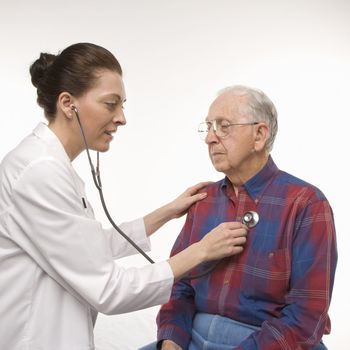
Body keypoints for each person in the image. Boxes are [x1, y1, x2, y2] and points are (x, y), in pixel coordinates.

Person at [0, 43, 249, 350]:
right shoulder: (39, 172)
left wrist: (166, 212)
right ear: (68, 104)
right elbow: (109, 290)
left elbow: (84, 248)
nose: (121, 118)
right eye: (110, 104)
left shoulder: (48, 165)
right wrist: (201, 251)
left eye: (122, 105)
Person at [141, 85, 337, 349]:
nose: (210, 138)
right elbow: (180, 288)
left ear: (259, 135)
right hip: (195, 337)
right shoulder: (203, 200)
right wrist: (171, 341)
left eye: (223, 126)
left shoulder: (306, 204)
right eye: (208, 127)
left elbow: (305, 318)